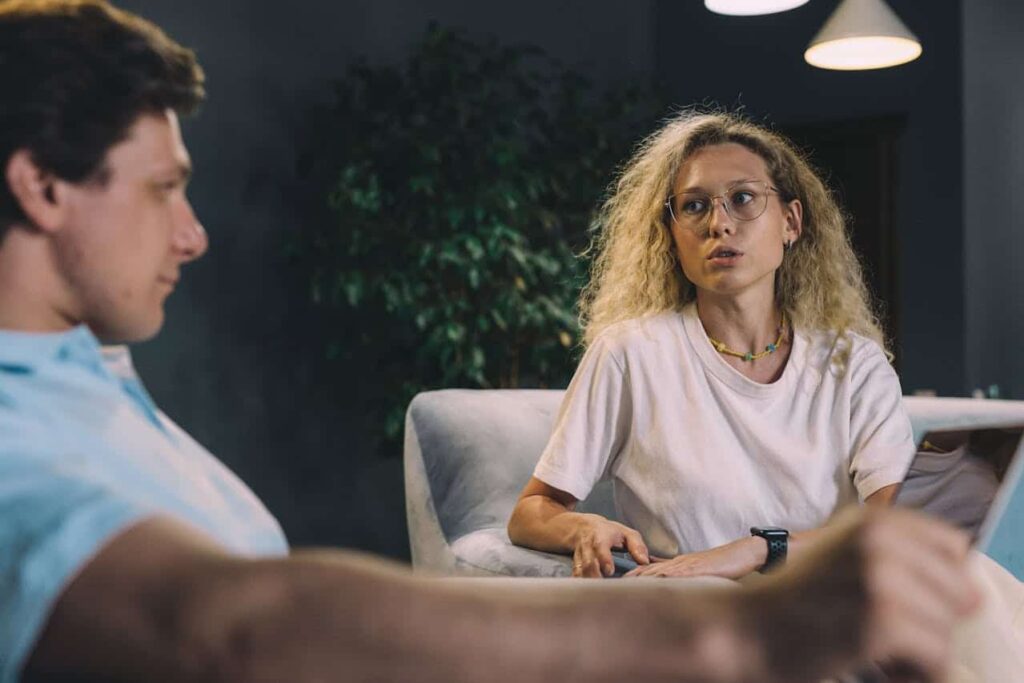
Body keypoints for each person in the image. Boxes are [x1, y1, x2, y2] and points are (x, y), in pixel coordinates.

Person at [0, 2, 980, 682]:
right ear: (41, 186)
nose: (194, 232)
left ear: (793, 222)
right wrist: (737, 630)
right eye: (165, 187)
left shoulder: (89, 376)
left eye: (742, 201)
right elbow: (229, 629)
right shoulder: (19, 432)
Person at [508, 111, 917, 579]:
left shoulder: (853, 363)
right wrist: (582, 527)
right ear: (672, 235)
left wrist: (760, 550)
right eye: (695, 206)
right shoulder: (630, 355)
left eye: (743, 199)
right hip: (697, 618)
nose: (718, 224)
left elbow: (899, 527)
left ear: (791, 222)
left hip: (831, 611)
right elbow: (532, 510)